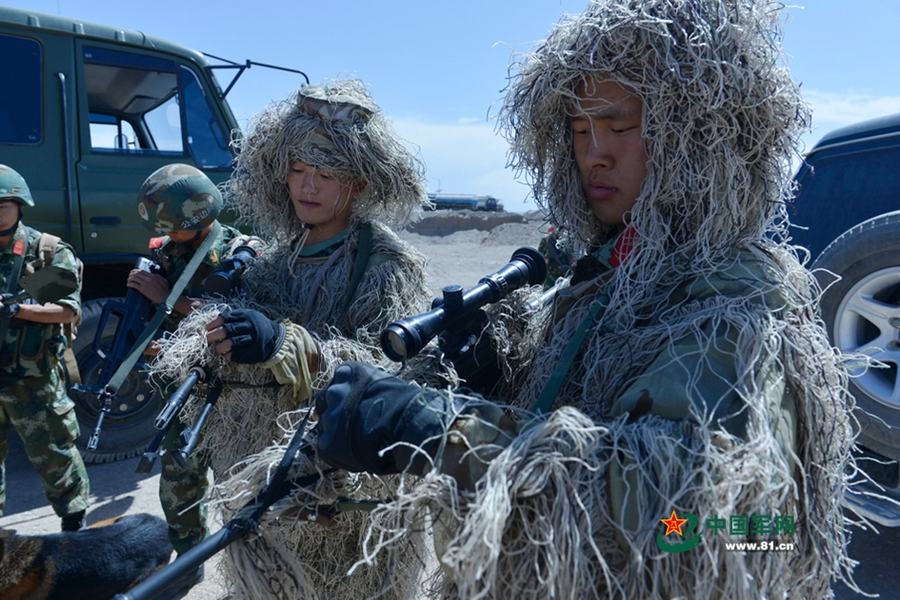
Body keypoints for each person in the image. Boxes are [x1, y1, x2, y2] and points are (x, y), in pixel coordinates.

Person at [302, 1, 858, 599]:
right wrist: (498, 381)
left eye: (620, 128)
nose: (594, 152)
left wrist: (438, 429)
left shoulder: (741, 301)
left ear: (699, 139)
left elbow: (737, 530)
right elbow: (582, 415)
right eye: (578, 130)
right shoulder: (617, 264)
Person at [149, 79, 437, 597]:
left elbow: (391, 376)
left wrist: (286, 343)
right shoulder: (275, 257)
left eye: (327, 174)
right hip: (266, 487)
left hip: (343, 492)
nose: (308, 187)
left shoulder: (385, 264)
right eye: (299, 171)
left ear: (361, 184)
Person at [128, 163, 249, 591]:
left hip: (235, 392)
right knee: (179, 481)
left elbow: (241, 321)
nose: (169, 236)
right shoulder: (168, 250)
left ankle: (250, 566)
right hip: (183, 390)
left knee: (241, 483)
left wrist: (169, 300)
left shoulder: (240, 252)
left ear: (198, 217)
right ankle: (189, 557)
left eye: (175, 228)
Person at [0, 164, 90, 532]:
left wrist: (15, 307)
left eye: (2, 205)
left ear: (20, 206)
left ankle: (75, 527)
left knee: (55, 457)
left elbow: (67, 309)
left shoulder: (45, 252)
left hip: (33, 381)